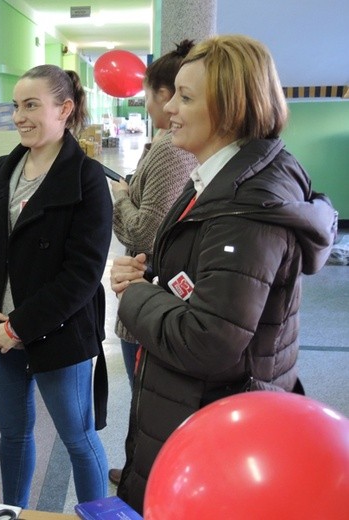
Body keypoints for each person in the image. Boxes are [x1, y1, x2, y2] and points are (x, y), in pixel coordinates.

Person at [110, 34, 337, 513]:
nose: (169, 107)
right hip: (211, 405)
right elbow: (218, 284)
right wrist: (158, 275)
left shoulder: (244, 206)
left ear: (231, 112)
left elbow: (209, 339)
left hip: (213, 416)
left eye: (186, 98)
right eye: (173, 93)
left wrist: (133, 294)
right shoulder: (228, 180)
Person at [0, 64, 112, 507]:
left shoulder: (87, 179)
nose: (20, 116)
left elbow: (82, 274)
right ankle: (15, 512)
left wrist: (19, 326)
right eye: (16, 106)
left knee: (79, 440)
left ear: (64, 109)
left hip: (58, 336)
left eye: (31, 105)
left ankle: (96, 516)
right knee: (13, 436)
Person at [108, 39, 198, 486]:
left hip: (150, 297)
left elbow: (144, 232)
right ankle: (141, 469)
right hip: (151, 293)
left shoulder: (169, 148)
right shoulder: (165, 144)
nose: (150, 104)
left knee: (149, 398)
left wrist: (121, 198)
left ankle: (151, 476)